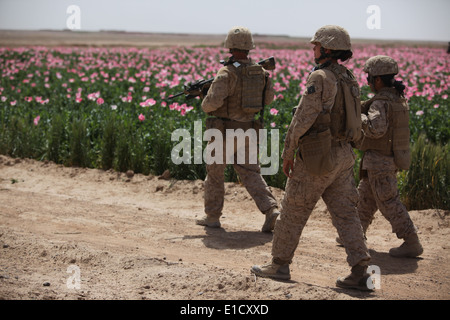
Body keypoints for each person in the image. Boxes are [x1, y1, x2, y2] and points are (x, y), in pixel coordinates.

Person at [251, 25, 372, 290]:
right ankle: (361, 270)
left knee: (293, 210)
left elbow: (303, 118)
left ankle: (279, 263)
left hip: (318, 156)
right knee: (346, 215)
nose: (312, 49)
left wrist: (287, 151)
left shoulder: (320, 77)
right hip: (344, 155)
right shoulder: (348, 77)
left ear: (327, 49)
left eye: (315, 46)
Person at [196, 26, 280, 232]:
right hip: (249, 131)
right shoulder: (261, 73)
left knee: (215, 173)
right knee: (251, 172)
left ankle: (213, 217)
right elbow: (268, 99)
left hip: (224, 132)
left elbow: (210, 105)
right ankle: (271, 209)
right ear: (249, 48)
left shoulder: (227, 72)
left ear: (230, 47)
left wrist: (203, 96)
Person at [356, 55, 423, 258]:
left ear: (377, 80)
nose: (368, 81)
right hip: (383, 159)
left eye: (369, 77)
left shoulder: (381, 103)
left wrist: (358, 117)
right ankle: (355, 235)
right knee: (364, 198)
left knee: (388, 201)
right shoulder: (397, 98)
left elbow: (376, 129)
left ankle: (411, 240)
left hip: (380, 161)